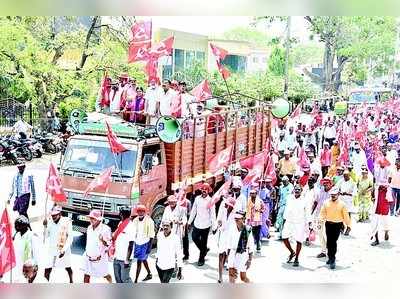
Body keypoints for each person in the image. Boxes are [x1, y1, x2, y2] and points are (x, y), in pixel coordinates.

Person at [319, 187, 351, 270]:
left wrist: (348, 226)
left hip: (338, 225)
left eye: (334, 195)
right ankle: (330, 257)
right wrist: (320, 221)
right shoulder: (326, 202)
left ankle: (332, 259)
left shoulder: (342, 204)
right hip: (328, 224)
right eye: (331, 195)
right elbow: (322, 213)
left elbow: (346, 216)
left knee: (333, 242)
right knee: (329, 242)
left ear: (338, 195)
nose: (333, 196)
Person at [281, 185, 311, 267]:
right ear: (293, 190)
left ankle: (296, 258)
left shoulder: (305, 200)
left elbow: (308, 212)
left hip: (299, 222)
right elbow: (286, 209)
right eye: (295, 189)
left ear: (301, 191)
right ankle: (292, 252)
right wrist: (284, 219)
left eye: (299, 189)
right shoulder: (289, 198)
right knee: (284, 237)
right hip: (289, 221)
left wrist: (309, 223)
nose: (297, 191)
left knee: (299, 240)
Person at [43, 205, 73, 283]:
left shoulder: (67, 222)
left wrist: (64, 249)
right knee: (47, 269)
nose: (53, 217)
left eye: (55, 215)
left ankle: (71, 281)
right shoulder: (49, 221)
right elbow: (46, 236)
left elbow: (70, 238)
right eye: (52, 215)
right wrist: (45, 226)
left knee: (68, 268)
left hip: (63, 249)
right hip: (52, 249)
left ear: (60, 214)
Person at [188, 183, 215, 266]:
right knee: (194, 237)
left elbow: (213, 214)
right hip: (197, 223)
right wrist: (189, 222)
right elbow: (193, 211)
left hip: (206, 225)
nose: (204, 191)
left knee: (204, 242)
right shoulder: (197, 199)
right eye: (203, 189)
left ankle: (201, 259)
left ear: (208, 191)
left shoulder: (210, 201)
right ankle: (204, 250)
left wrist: (214, 226)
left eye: (206, 190)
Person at [82, 209, 112, 283]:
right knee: (86, 275)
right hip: (88, 255)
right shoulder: (89, 227)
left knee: (105, 275)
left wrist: (102, 240)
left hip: (100, 257)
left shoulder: (105, 229)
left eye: (93, 218)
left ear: (98, 219)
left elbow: (109, 244)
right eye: (90, 218)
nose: (91, 220)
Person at [213, 197, 236, 283]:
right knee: (220, 255)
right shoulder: (223, 210)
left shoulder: (235, 214)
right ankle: (220, 276)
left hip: (230, 237)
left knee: (227, 256)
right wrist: (218, 223)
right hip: (222, 234)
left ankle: (225, 269)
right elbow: (219, 219)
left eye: (228, 204)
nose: (225, 205)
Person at [226, 211, 254, 283]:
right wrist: (228, 257)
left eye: (238, 218)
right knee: (231, 275)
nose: (236, 220)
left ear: (243, 219)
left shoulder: (248, 229)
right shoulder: (232, 228)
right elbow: (229, 243)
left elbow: (251, 246)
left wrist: (249, 260)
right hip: (232, 253)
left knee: (243, 278)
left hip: (243, 255)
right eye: (235, 218)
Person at [130, 204, 155, 283]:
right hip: (137, 243)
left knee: (139, 261)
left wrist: (149, 247)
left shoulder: (149, 221)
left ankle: (136, 280)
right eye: (139, 211)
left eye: (142, 212)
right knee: (143, 259)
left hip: (145, 243)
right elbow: (133, 233)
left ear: (145, 212)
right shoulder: (135, 220)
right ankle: (149, 273)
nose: (140, 213)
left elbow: (151, 236)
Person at [370, 158, 391, 246]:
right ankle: (376, 238)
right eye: (381, 164)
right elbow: (374, 181)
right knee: (375, 219)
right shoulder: (376, 170)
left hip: (385, 194)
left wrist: (385, 185)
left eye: (383, 164)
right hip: (377, 193)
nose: (382, 165)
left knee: (385, 218)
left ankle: (386, 231)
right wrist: (373, 192)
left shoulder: (389, 171)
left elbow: (389, 181)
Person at [13, 215, 40, 283]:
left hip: (28, 266)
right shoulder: (17, 236)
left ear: (24, 225)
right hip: (18, 266)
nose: (16, 227)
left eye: (18, 225)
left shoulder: (32, 236)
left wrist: (35, 267)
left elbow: (36, 252)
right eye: (15, 225)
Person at [111, 206, 134, 283]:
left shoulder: (131, 226)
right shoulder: (120, 223)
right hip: (117, 256)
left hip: (125, 259)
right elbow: (116, 235)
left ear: (121, 214)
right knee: (118, 279)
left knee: (125, 279)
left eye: (120, 213)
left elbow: (131, 245)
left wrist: (127, 260)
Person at [312, 177, 332, 258]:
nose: (325, 184)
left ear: (330, 183)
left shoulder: (332, 193)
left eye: (326, 183)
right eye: (324, 183)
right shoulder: (320, 191)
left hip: (329, 217)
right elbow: (316, 202)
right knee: (320, 233)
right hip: (319, 215)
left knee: (328, 234)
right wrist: (311, 213)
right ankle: (323, 251)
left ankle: (330, 250)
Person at [246, 185, 265, 253]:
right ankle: (249, 245)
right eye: (251, 193)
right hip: (250, 219)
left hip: (257, 220)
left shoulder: (260, 201)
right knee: (249, 232)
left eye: (253, 193)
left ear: (256, 194)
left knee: (257, 233)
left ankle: (258, 244)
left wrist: (259, 210)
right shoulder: (248, 200)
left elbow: (263, 208)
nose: (251, 194)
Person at [337, 170, 357, 235]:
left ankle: (348, 227)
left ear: (349, 176)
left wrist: (347, 193)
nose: (345, 177)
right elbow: (337, 188)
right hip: (341, 199)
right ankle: (342, 227)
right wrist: (339, 192)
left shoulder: (353, 183)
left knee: (348, 215)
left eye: (346, 176)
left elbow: (354, 193)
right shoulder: (341, 181)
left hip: (348, 201)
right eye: (344, 176)